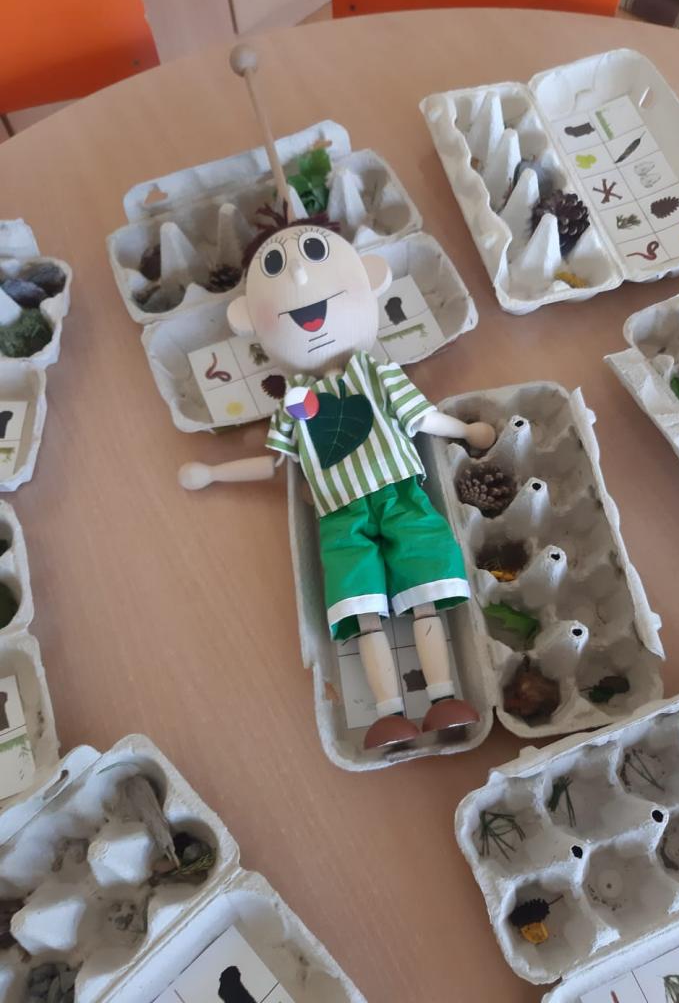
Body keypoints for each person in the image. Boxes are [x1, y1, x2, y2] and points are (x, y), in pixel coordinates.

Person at [179, 205, 496, 749]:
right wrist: (214, 473)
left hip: (401, 498)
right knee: (364, 608)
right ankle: (388, 712)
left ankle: (443, 696)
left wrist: (464, 431)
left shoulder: (378, 375)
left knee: (424, 593)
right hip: (341, 520)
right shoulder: (294, 405)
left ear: (369, 281)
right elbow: (275, 465)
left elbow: (420, 418)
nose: (305, 284)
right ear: (251, 322)